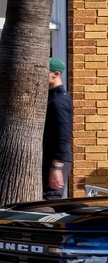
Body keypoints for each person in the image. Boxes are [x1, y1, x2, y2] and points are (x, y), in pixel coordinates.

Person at [43, 57, 73, 200]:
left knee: (51, 200)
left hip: (56, 159)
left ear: (56, 74)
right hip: (48, 157)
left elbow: (63, 133)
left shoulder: (59, 100)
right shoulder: (50, 97)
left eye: (44, 73)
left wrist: (56, 166)